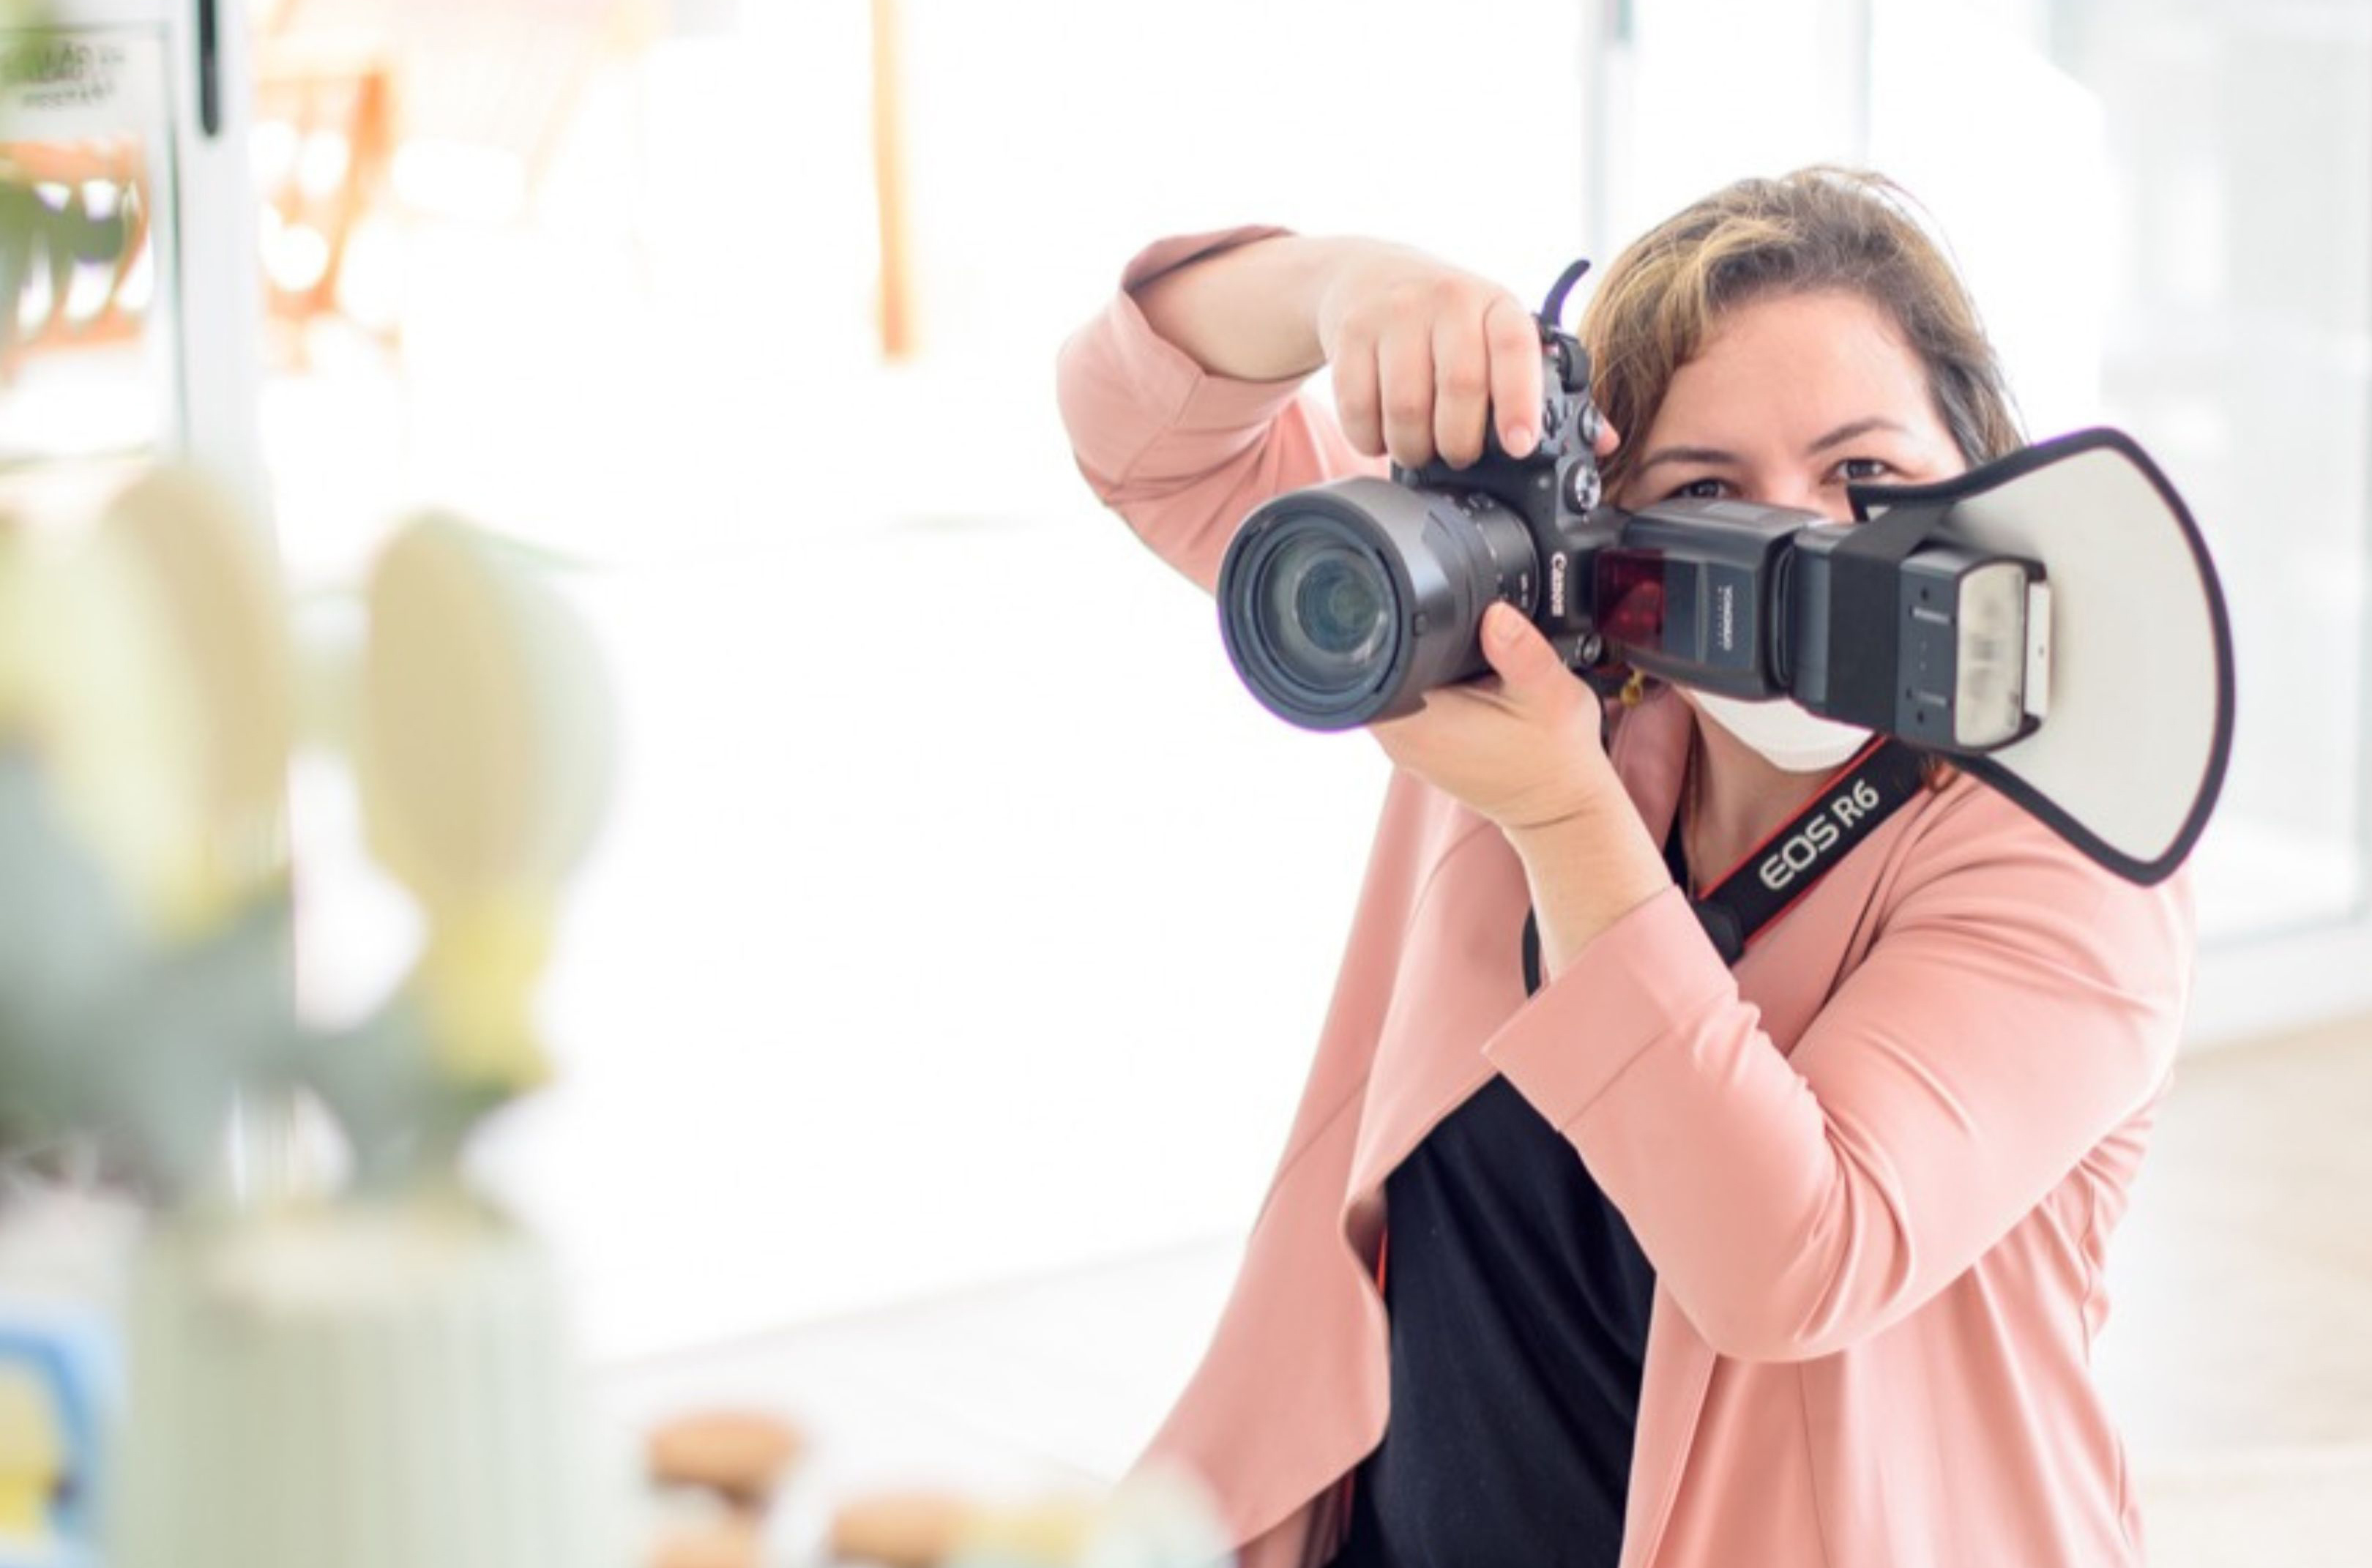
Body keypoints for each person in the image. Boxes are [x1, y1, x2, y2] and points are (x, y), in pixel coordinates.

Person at [1053, 167, 2190, 1568]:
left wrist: (1562, 826)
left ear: (1985, 475)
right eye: (1707, 488)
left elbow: (1791, 1257)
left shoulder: (2063, 852)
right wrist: (1343, 285)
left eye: (1868, 474)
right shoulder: (1541, 673)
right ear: (1607, 551)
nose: (1801, 541)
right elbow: (1144, 434)